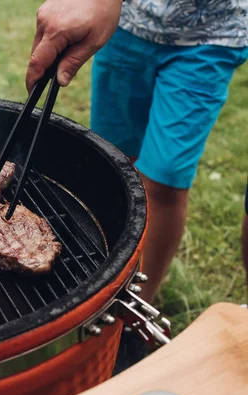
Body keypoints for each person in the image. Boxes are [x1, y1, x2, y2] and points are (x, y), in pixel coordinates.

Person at [26, 0, 248, 370]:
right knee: (115, 163)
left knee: (163, 182)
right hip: (128, 24)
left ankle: (136, 307)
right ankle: (103, 282)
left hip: (209, 35)